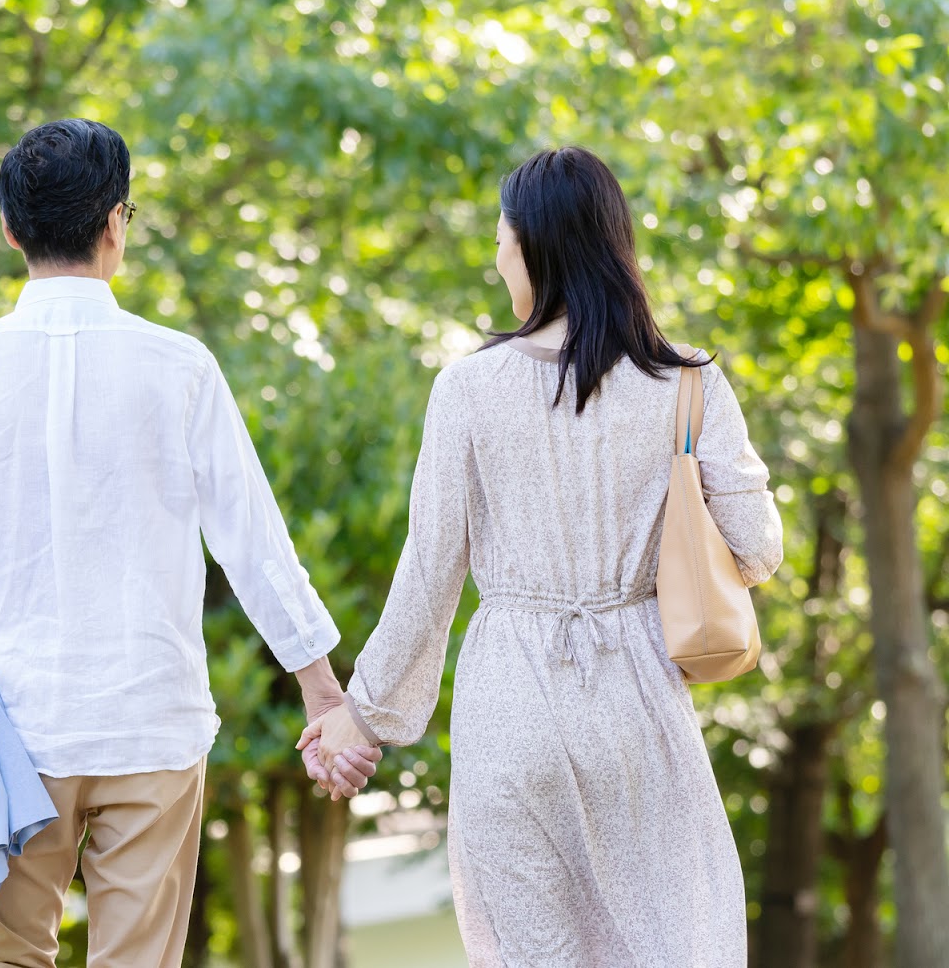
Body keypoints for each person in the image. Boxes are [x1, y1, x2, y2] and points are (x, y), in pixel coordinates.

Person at [0, 118, 379, 966]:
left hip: (5, 734)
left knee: (1, 961)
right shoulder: (179, 367)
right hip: (151, 723)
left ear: (10, 230)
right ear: (116, 222)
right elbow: (254, 544)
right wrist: (322, 692)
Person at [299, 146, 784, 967]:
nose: (496, 260)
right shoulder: (689, 383)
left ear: (535, 248)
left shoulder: (467, 388)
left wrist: (361, 713)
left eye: (501, 241)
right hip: (637, 702)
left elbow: (428, 574)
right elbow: (759, 550)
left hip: (510, 706)